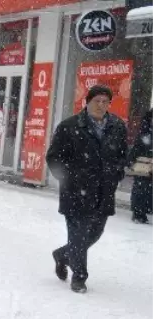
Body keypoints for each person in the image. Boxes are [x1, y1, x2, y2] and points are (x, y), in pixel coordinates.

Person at [46, 84, 129, 293]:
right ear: (87, 102)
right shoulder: (69, 126)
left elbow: (122, 156)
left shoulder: (117, 127)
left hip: (103, 191)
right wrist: (71, 179)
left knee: (95, 233)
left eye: (105, 102)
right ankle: (79, 277)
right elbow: (54, 157)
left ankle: (63, 255)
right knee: (79, 235)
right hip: (76, 192)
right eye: (97, 101)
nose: (101, 105)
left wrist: (116, 173)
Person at [128, 107, 153, 224]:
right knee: (142, 187)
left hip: (146, 158)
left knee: (143, 187)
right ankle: (139, 213)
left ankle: (140, 212)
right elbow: (140, 141)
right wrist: (131, 158)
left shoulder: (147, 122)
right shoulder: (147, 123)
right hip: (145, 160)